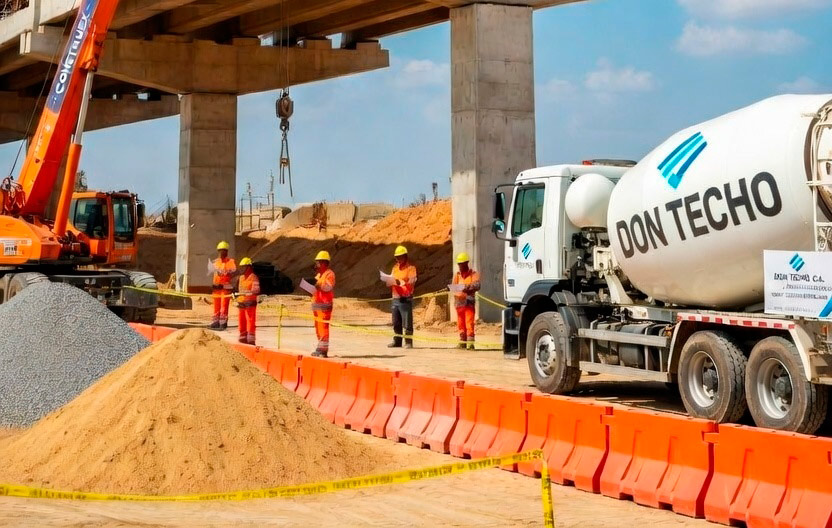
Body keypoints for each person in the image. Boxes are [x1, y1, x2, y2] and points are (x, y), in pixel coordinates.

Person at [388, 245, 417, 349]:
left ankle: (408, 342)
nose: (398, 259)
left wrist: (401, 282)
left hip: (405, 298)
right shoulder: (395, 268)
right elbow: (390, 279)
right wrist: (389, 281)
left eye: (400, 257)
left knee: (407, 321)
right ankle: (397, 341)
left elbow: (412, 281)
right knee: (396, 322)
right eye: (397, 257)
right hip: (395, 298)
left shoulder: (411, 269)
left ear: (405, 256)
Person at [452, 252, 481, 350]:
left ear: (466, 263)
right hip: (459, 303)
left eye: (462, 264)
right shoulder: (457, 275)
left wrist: (466, 287)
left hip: (469, 303)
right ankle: (462, 342)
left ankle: (470, 343)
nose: (460, 266)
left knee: (469, 323)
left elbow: (477, 285)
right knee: (460, 324)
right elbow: (453, 287)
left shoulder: (473, 274)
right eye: (459, 264)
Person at [311, 251, 336, 358]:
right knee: (318, 328)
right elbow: (316, 289)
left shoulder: (330, 274)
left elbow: (327, 287)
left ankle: (324, 350)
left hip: (324, 306)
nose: (316, 265)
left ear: (324, 263)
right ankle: (320, 347)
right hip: (317, 305)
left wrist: (318, 285)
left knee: (323, 327)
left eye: (318, 262)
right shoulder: (319, 275)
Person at [210, 241, 236, 330]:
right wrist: (213, 285)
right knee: (216, 306)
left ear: (226, 252)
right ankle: (215, 322)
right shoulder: (215, 262)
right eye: (220, 251)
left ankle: (223, 323)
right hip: (216, 288)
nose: (221, 253)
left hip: (225, 289)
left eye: (223, 251)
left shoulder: (231, 262)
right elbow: (214, 275)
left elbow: (233, 274)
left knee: (224, 306)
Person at [235, 257, 260, 345]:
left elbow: (256, 290)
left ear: (248, 267)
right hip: (241, 302)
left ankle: (250, 338)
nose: (241, 269)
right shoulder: (241, 278)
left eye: (243, 267)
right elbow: (238, 290)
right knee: (241, 320)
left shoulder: (253, 277)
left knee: (250, 320)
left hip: (250, 302)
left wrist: (248, 294)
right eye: (241, 267)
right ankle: (242, 336)